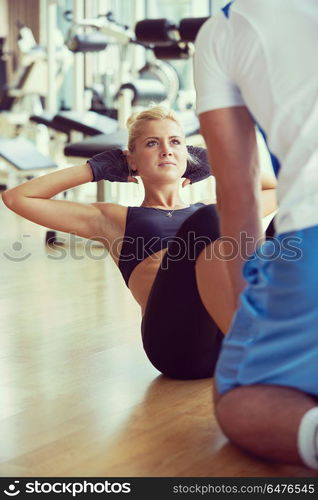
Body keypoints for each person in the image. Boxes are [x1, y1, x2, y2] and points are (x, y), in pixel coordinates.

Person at [1, 105, 276, 380]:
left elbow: (278, 189)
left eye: (176, 142)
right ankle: (261, 353)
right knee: (213, 218)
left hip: (222, 340)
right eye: (152, 143)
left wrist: (219, 162)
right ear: (131, 161)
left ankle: (267, 341)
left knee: (277, 229)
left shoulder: (205, 209)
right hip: (178, 348)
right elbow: (18, 198)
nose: (166, 150)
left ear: (189, 157)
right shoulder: (114, 219)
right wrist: (93, 169)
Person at [194, 0, 318, 469]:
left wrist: (247, 308)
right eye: (150, 143)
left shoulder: (225, 27)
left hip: (309, 226)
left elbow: (238, 194)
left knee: (242, 399)